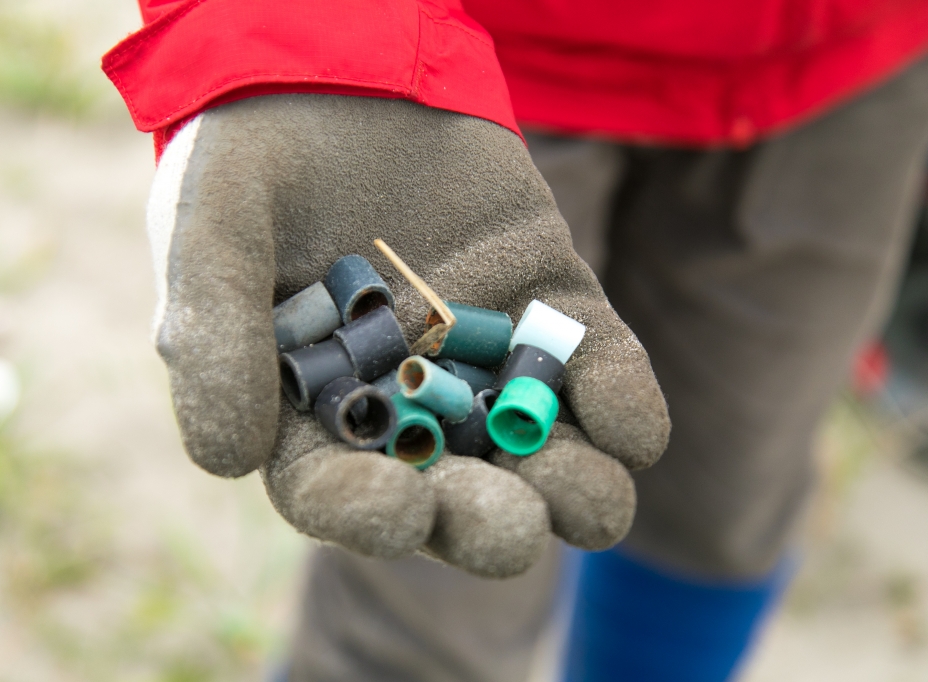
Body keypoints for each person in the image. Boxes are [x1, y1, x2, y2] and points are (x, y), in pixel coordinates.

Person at [103, 2, 928, 680]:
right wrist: (308, 38)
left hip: (847, 67)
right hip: (455, 73)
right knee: (424, 606)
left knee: (725, 506)